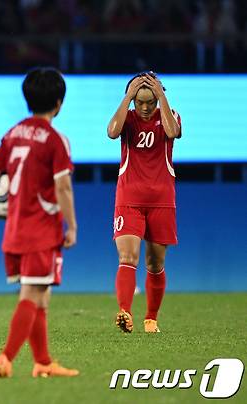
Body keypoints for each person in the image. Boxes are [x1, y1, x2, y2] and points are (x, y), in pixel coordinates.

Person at [0, 67, 79, 378]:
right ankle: (6, 357)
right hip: (41, 230)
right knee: (32, 295)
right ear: (59, 103)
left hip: (15, 229)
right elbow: (63, 186)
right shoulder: (56, 140)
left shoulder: (14, 132)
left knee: (41, 294)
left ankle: (43, 362)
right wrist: (71, 226)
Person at [107, 71, 181, 334]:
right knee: (127, 256)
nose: (146, 107)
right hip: (129, 199)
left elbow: (174, 133)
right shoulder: (127, 119)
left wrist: (161, 94)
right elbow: (111, 132)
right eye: (141, 102)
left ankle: (151, 319)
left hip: (161, 200)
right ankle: (125, 311)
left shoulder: (169, 117)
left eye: (151, 102)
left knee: (155, 264)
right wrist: (127, 98)